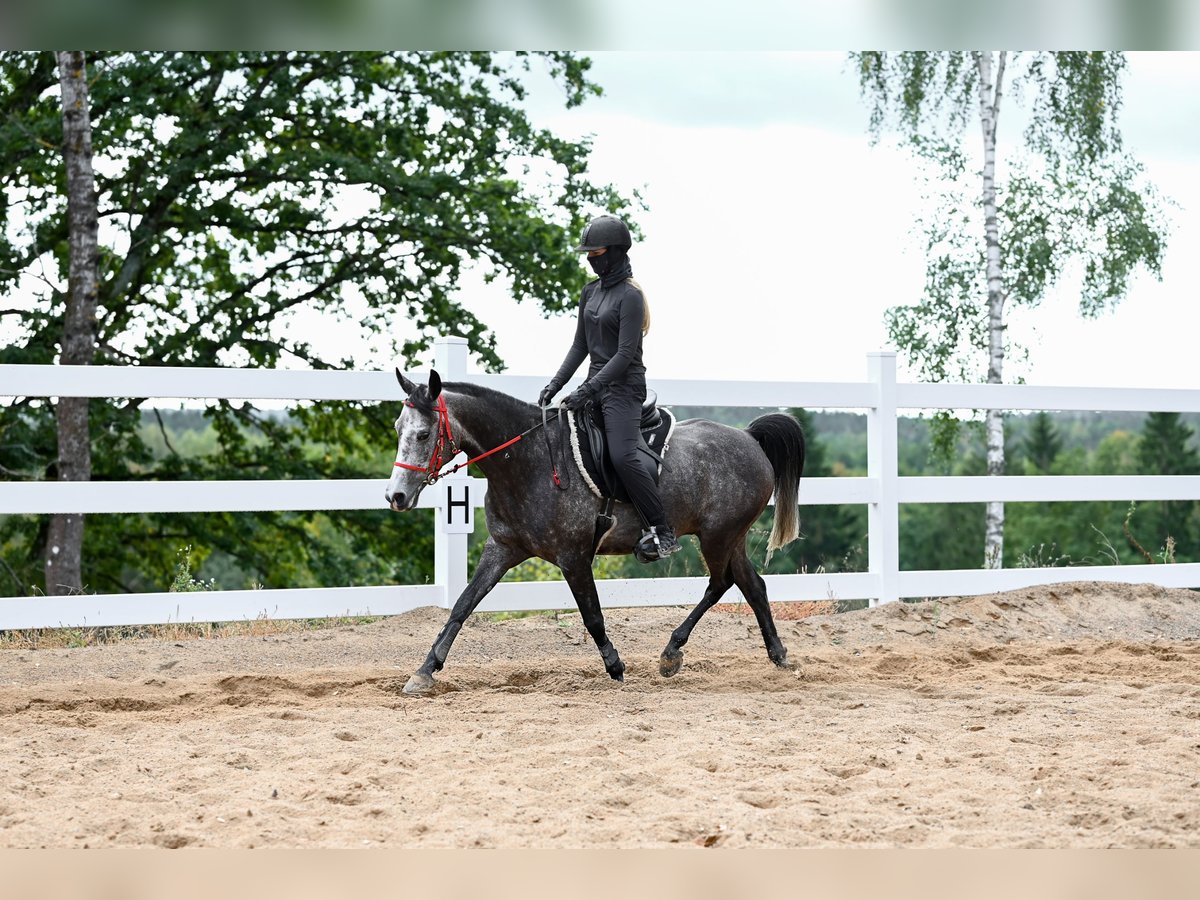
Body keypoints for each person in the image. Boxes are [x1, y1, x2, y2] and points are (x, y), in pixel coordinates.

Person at [538, 214, 681, 561]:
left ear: (615, 252)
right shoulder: (590, 292)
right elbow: (579, 346)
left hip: (623, 388)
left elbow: (624, 354)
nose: (590, 259)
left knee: (621, 454)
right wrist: (556, 384)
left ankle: (661, 531)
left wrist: (587, 390)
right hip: (595, 385)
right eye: (587, 254)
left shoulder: (630, 296)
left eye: (596, 252)